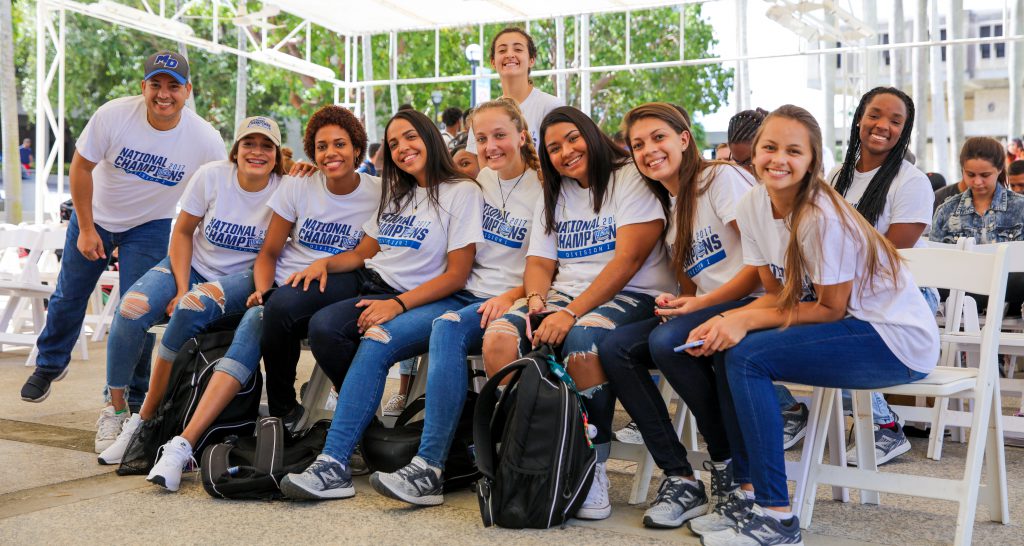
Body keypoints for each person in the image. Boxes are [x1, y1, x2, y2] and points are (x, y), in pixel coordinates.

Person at [690, 105, 938, 545]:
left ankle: (776, 516)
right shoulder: (752, 204)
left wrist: (742, 318)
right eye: (769, 147)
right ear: (754, 152)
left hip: (892, 339)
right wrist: (727, 319)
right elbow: (776, 293)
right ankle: (747, 497)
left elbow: (830, 309)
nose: (777, 159)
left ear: (812, 161)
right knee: (728, 346)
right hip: (848, 327)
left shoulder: (822, 215)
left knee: (747, 356)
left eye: (793, 150)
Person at [279, 110, 484, 500]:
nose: (402, 148)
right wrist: (323, 262)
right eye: (393, 143)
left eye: (410, 137)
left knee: (377, 336)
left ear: (430, 137)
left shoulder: (461, 192)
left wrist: (397, 305)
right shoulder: (398, 192)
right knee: (337, 329)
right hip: (381, 288)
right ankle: (334, 464)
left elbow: (458, 276)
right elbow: (364, 252)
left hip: (436, 298)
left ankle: (417, 467)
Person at [481, 106, 674, 520]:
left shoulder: (629, 178)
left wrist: (568, 314)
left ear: (591, 133)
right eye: (553, 147)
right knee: (499, 338)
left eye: (572, 138)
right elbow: (539, 261)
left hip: (635, 294)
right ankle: (531, 457)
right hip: (563, 295)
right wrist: (535, 302)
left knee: (584, 342)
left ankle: (593, 469)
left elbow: (628, 261)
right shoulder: (555, 192)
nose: (565, 152)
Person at [21, 51, 226, 406]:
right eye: (156, 85)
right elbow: (80, 168)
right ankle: (50, 364)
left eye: (173, 86)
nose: (164, 94)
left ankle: (132, 392)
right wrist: (85, 228)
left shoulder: (205, 140)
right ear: (143, 87)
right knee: (69, 295)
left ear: (188, 91)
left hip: (151, 224)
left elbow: (220, 191)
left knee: (138, 309)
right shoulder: (113, 115)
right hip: (95, 216)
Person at [369, 98, 543, 506]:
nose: (491, 146)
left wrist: (512, 296)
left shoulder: (545, 188)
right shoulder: (479, 179)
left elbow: (547, 266)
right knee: (396, 332)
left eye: (499, 135)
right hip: (467, 293)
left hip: (513, 296)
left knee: (446, 327)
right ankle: (426, 456)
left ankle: (429, 466)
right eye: (482, 138)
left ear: (522, 135)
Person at [597, 102, 759, 529]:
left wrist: (698, 305)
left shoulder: (720, 179)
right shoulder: (671, 209)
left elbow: (761, 264)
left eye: (658, 138)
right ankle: (680, 476)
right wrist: (678, 303)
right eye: (638, 145)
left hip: (752, 303)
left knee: (669, 343)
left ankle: (728, 470)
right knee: (616, 348)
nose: (649, 150)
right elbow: (693, 287)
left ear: (684, 139)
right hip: (710, 306)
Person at [95, 116, 283, 459]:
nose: (256, 152)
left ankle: (150, 417)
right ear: (235, 150)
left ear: (277, 154)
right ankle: (117, 411)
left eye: (266, 146)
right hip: (191, 266)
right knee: (131, 307)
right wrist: (181, 286)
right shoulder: (211, 176)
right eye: (248, 144)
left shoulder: (285, 187)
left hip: (244, 277)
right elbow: (182, 233)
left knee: (195, 304)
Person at [233, 105, 381, 429]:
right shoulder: (298, 184)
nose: (331, 153)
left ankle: (283, 412)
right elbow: (269, 252)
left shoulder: (377, 192)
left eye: (340, 144)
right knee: (274, 305)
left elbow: (363, 255)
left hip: (345, 276)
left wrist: (322, 264)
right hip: (291, 287)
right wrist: (261, 289)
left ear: (357, 148)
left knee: (284, 306)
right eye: (322, 146)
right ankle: (284, 412)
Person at [828, 86, 935, 466]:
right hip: (849, 291)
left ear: (904, 131)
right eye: (875, 114)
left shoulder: (911, 182)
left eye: (895, 120)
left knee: (822, 336)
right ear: (860, 118)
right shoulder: (837, 176)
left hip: (907, 297)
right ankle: (794, 414)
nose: (882, 125)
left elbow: (891, 256)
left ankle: (884, 427)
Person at [931, 137, 1024, 316]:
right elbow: (935, 266)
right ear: (962, 171)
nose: (977, 182)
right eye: (970, 175)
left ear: (999, 170)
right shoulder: (946, 210)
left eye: (985, 175)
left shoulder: (1020, 208)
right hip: (957, 298)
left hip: (1012, 298)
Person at [466, 27, 565, 154]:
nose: (510, 55)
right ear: (493, 62)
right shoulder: (482, 116)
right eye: (502, 50)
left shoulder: (551, 106)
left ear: (531, 60)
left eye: (518, 49)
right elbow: (478, 166)